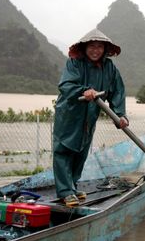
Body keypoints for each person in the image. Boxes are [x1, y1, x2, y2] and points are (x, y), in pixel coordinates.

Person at [52, 28, 129, 206]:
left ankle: (72, 185)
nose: (95, 50)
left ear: (105, 48)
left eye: (99, 47)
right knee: (64, 150)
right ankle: (65, 191)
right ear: (85, 48)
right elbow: (66, 84)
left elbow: (117, 91)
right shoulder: (75, 63)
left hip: (90, 116)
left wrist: (120, 115)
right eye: (92, 46)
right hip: (70, 115)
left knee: (81, 150)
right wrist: (83, 90)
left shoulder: (109, 67)